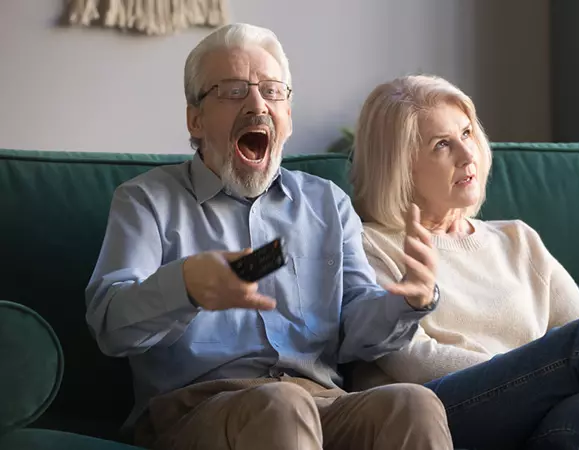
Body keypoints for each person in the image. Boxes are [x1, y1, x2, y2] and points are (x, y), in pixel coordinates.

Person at [85, 25, 453, 450]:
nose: (257, 105)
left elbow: (356, 327)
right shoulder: (146, 201)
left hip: (320, 401)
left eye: (273, 91)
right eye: (233, 91)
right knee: (279, 404)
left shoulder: (327, 203)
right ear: (195, 118)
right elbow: (110, 324)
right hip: (194, 409)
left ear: (288, 116)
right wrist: (184, 286)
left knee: (413, 404)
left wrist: (407, 302)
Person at [349, 74, 579, 450]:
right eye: (442, 145)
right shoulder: (369, 245)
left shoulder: (516, 238)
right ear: (400, 165)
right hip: (439, 412)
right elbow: (412, 361)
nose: (468, 155)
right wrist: (528, 373)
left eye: (467, 134)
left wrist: (535, 376)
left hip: (532, 417)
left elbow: (578, 329)